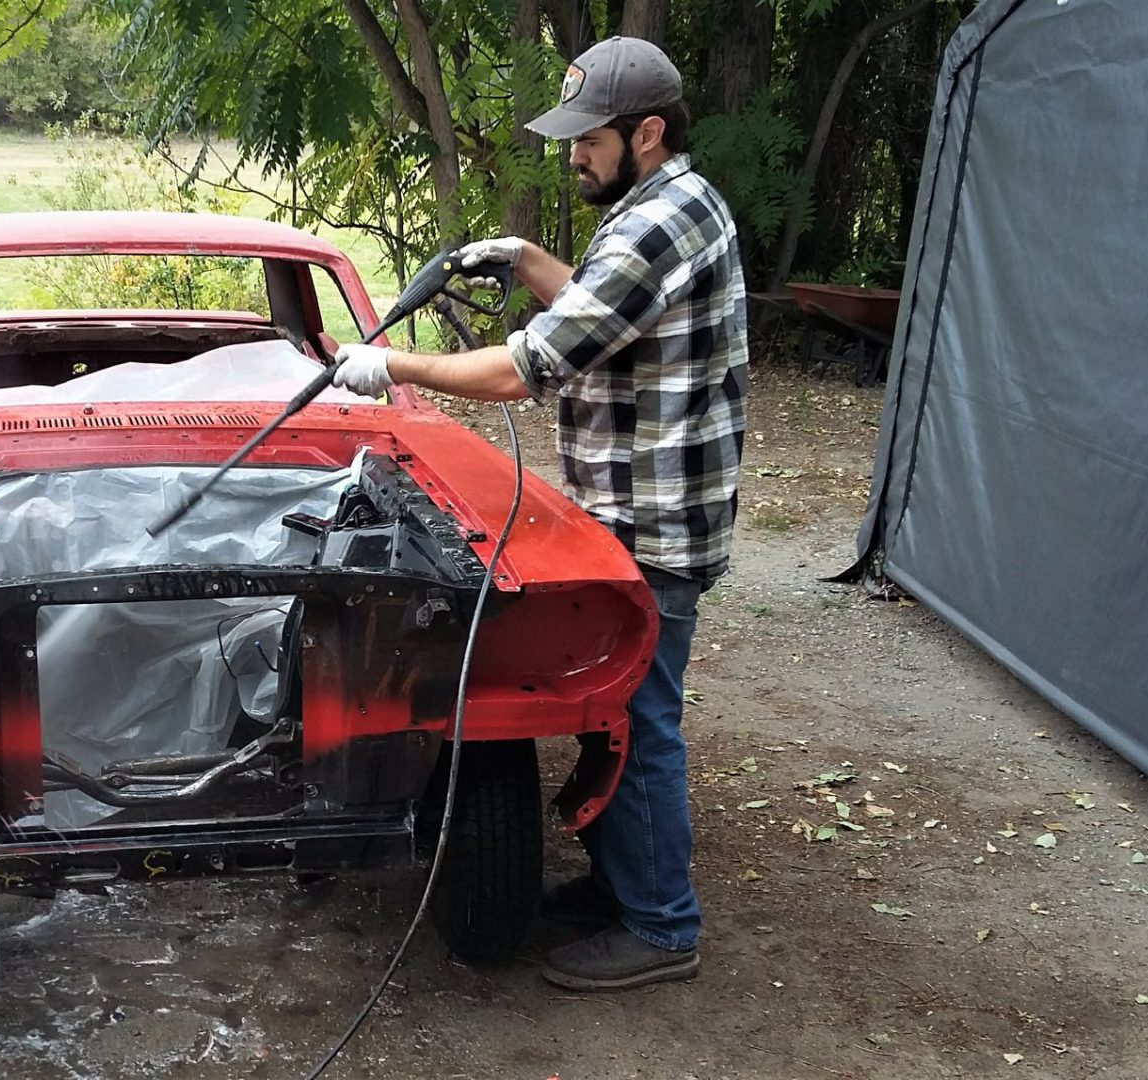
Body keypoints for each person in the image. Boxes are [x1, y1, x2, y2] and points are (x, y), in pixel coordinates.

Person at [331, 36, 747, 992]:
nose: (571, 157)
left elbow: (528, 368)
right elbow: (601, 313)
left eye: (587, 141)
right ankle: (621, 889)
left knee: (638, 721)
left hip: (656, 521)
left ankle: (660, 927)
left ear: (646, 132)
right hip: (643, 509)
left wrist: (389, 367)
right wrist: (522, 257)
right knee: (621, 714)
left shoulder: (655, 223)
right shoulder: (665, 204)